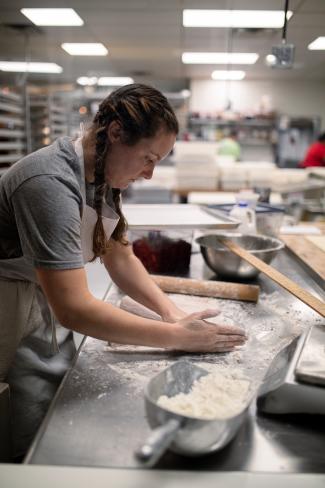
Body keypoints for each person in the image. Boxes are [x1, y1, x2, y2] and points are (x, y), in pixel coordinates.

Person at [0, 84, 246, 459]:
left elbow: (120, 257)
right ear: (115, 133)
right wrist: (174, 337)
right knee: (28, 427)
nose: (149, 174)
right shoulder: (48, 182)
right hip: (10, 310)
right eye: (148, 158)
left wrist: (172, 314)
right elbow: (74, 308)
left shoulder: (98, 173)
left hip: (41, 299)